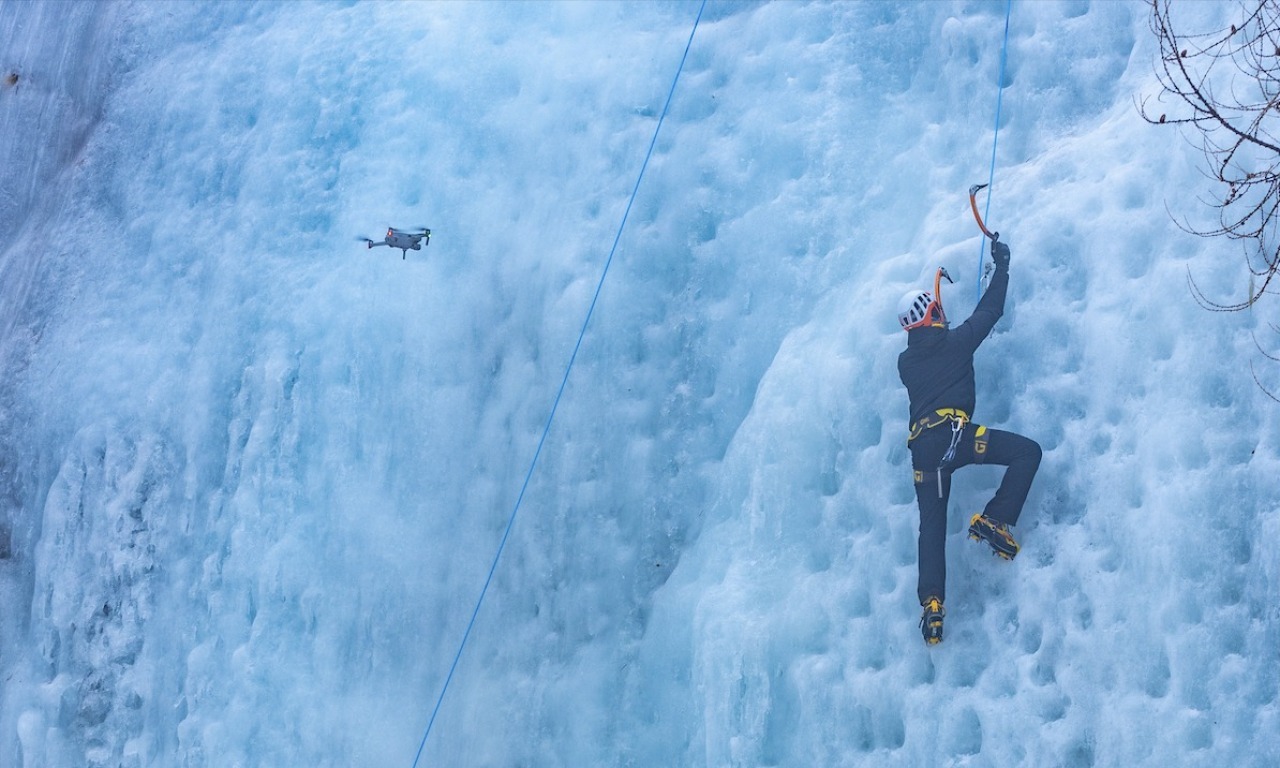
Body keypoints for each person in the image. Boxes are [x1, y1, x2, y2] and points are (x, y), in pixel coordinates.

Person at [896, 239, 1041, 645]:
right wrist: (1002, 266)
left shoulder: (906, 363)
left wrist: (936, 324)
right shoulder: (956, 344)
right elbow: (990, 311)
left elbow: (929, 343)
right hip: (955, 439)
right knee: (1027, 452)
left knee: (932, 527)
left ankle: (933, 606)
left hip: (924, 456)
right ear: (933, 313)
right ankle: (995, 519)